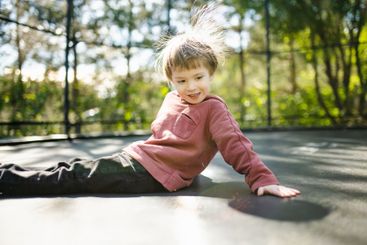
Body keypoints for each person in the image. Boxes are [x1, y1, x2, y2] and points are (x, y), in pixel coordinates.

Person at [0, 4, 300, 198]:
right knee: (76, 167)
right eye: (181, 81)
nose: (191, 87)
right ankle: (8, 172)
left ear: (211, 73)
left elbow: (236, 145)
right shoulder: (172, 98)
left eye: (198, 77)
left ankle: (7, 180)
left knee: (74, 176)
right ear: (171, 80)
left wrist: (262, 179)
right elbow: (162, 136)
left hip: (147, 175)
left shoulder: (214, 109)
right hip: (136, 160)